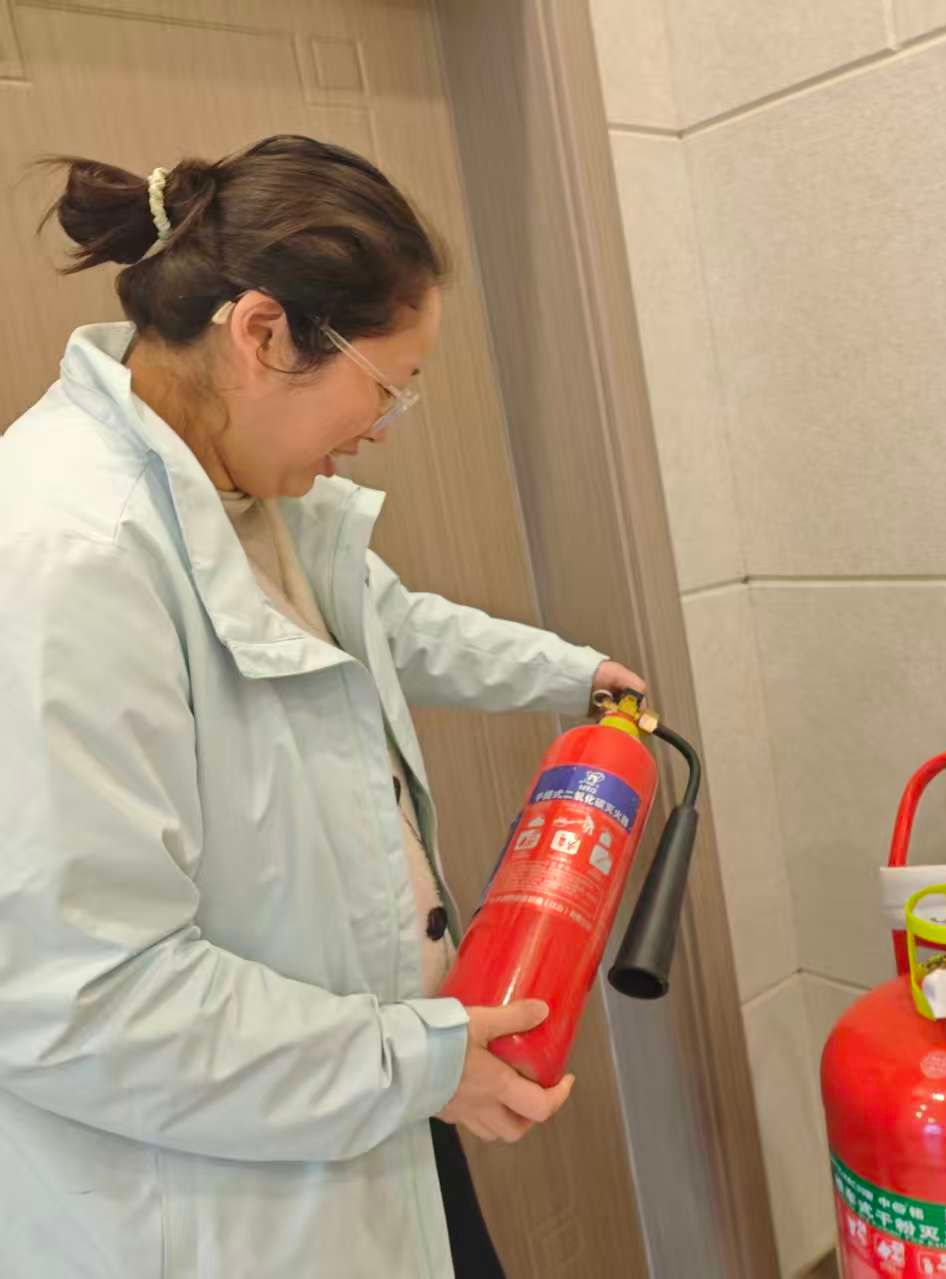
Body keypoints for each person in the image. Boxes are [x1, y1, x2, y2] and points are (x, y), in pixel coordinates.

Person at [0, 135, 647, 1279]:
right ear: (262, 333)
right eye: (386, 385)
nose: (385, 424)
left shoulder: (241, 486)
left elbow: (383, 622)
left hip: (370, 1090)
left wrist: (570, 671)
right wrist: (413, 1060)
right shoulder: (64, 553)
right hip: (219, 1193)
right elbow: (85, 998)